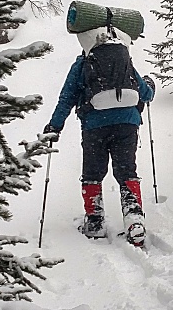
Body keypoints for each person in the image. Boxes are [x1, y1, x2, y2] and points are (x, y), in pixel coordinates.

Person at [43, 25, 156, 247]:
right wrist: (150, 85)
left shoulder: (83, 63)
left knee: (92, 173)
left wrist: (54, 127)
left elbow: (67, 98)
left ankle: (95, 223)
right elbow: (145, 93)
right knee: (127, 171)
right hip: (127, 123)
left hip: (95, 125)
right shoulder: (124, 60)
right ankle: (134, 221)